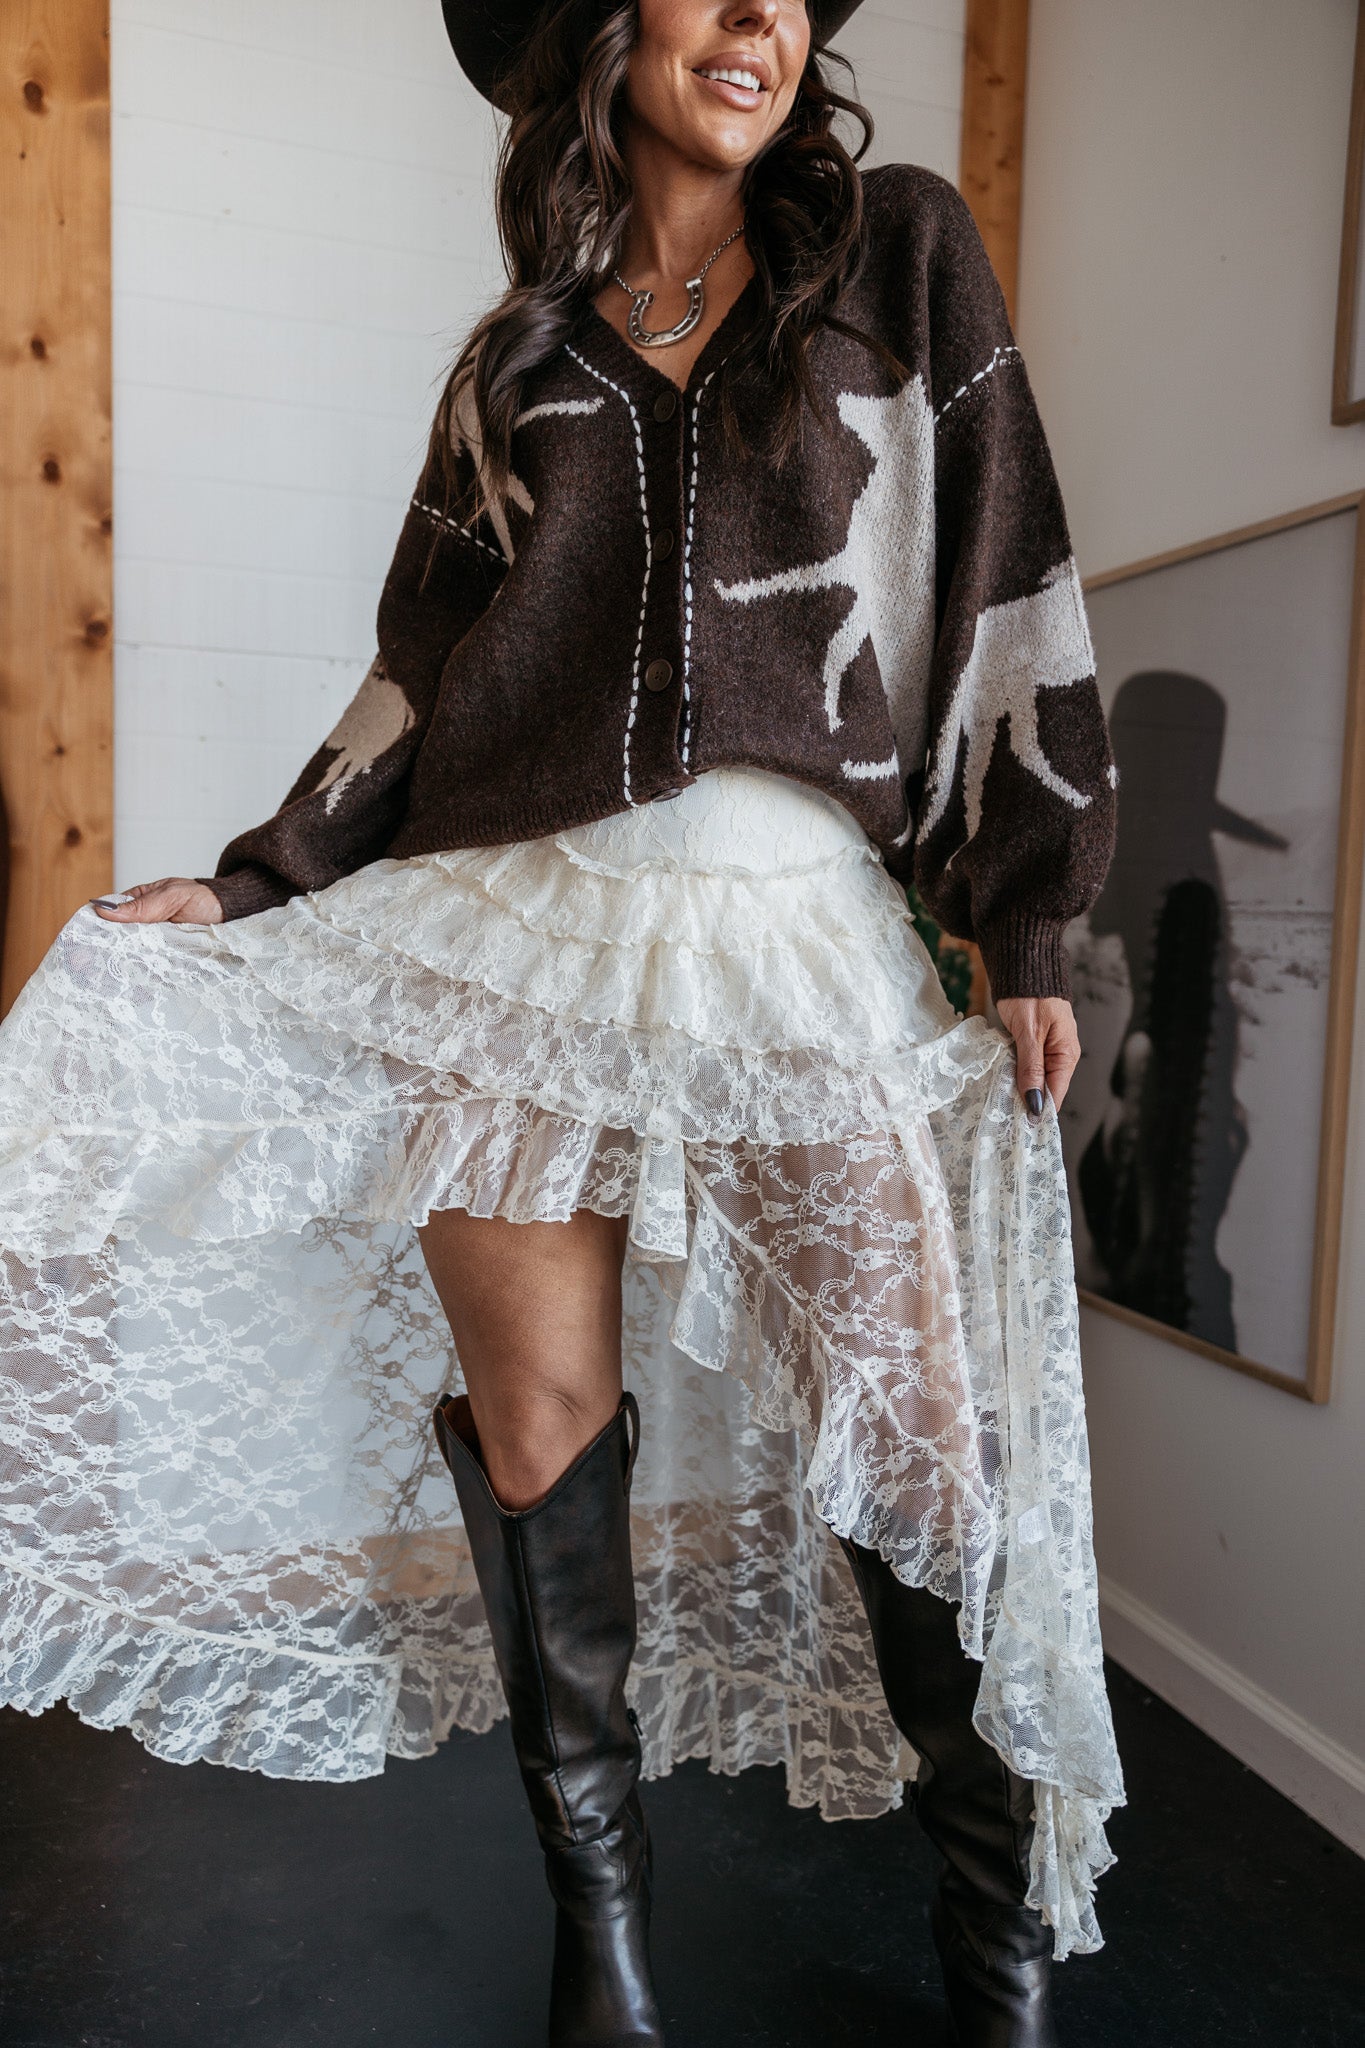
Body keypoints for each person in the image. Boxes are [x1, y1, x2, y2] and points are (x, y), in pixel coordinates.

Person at [0, 3, 1127, 2043]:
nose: (758, 14)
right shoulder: (514, 363)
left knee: (921, 1451)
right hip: (502, 943)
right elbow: (418, 678)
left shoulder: (894, 248)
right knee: (539, 1440)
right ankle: (597, 1949)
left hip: (791, 931)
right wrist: (258, 879)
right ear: (605, 37)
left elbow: (1003, 574)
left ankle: (995, 1951)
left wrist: (1028, 907)